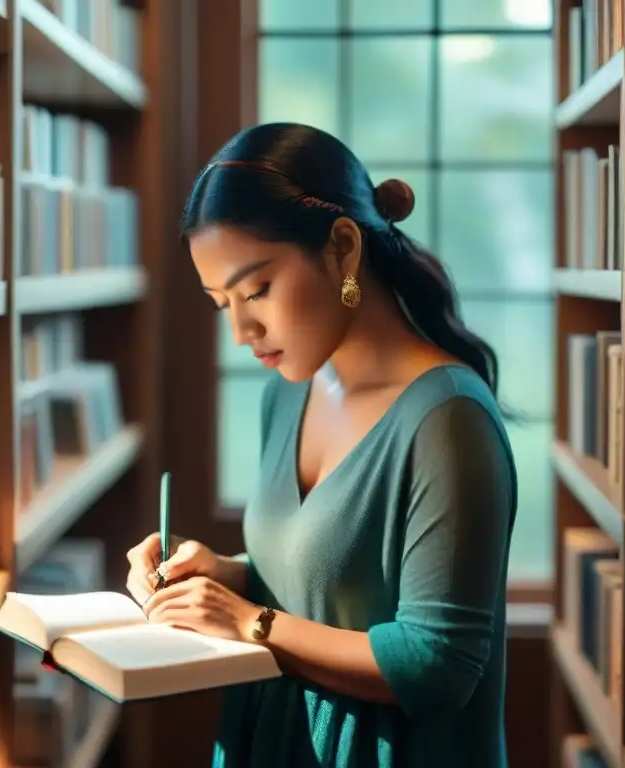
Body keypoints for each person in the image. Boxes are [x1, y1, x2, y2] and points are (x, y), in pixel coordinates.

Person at [125, 122, 519, 768]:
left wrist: (247, 621)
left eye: (257, 290)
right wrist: (224, 575)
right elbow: (340, 578)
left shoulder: (448, 419)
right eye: (221, 302)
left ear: (341, 247)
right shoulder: (288, 391)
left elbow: (437, 665)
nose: (241, 330)